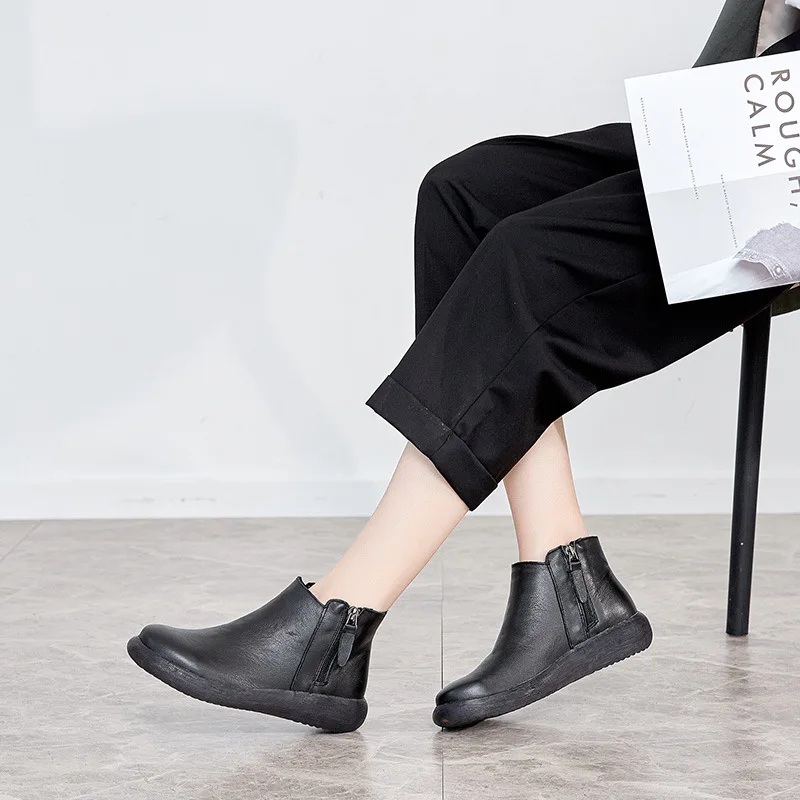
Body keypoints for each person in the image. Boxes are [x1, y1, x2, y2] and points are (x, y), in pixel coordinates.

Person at [126, 6, 800, 734]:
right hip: (753, 110)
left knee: (526, 261)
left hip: (783, 167)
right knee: (465, 196)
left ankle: (337, 625)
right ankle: (566, 581)